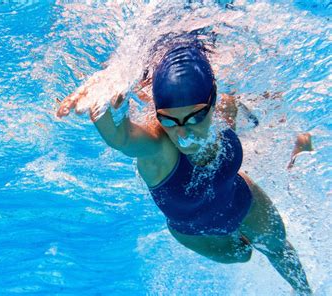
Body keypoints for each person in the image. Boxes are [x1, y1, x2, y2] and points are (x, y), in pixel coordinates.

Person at [56, 38, 312, 294]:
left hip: (242, 200)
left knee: (278, 248)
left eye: (195, 117)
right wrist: (103, 101)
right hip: (196, 232)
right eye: (169, 120)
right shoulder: (160, 148)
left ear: (212, 104)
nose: (182, 133)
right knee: (243, 254)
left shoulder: (224, 110)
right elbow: (122, 137)